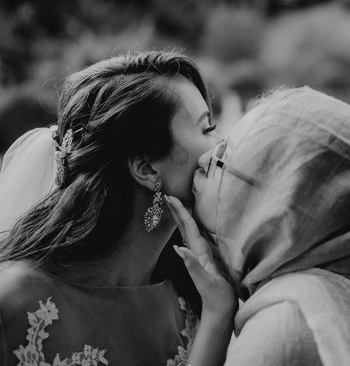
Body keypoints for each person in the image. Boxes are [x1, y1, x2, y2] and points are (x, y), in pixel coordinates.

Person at [169, 86, 350, 366]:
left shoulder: (285, 328)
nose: (204, 159)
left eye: (224, 158)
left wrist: (216, 313)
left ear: (276, 198)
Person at [0, 51, 236, 366]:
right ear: (146, 168)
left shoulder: (198, 291)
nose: (223, 145)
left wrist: (218, 316)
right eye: (207, 129)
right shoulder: (12, 303)